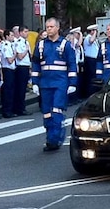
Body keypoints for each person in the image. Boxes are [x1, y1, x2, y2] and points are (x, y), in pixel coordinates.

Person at [30, 17, 77, 151]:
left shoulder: (65, 45)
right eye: (47, 27)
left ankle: (55, 140)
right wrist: (35, 82)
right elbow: (35, 64)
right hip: (45, 83)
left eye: (51, 27)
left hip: (60, 83)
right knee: (46, 113)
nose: (48, 29)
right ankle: (50, 138)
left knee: (56, 111)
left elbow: (72, 64)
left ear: (57, 28)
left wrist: (72, 83)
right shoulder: (41, 45)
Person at [13, 25, 31, 116]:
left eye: (27, 31)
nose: (26, 33)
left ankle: (22, 107)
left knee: (24, 88)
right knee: (20, 89)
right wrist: (26, 50)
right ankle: (20, 108)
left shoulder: (26, 42)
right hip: (21, 67)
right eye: (24, 31)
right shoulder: (19, 42)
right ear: (20, 33)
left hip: (26, 66)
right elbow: (20, 57)